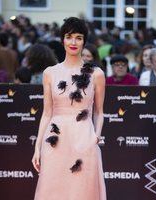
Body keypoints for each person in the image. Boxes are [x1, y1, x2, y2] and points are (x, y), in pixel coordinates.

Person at [32, 17, 106, 200]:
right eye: (69, 36)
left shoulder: (96, 74)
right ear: (62, 39)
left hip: (84, 138)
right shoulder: (50, 73)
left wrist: (95, 136)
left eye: (79, 37)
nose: (73, 42)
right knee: (53, 191)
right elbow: (47, 113)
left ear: (84, 41)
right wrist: (37, 146)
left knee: (83, 192)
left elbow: (99, 111)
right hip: (55, 140)